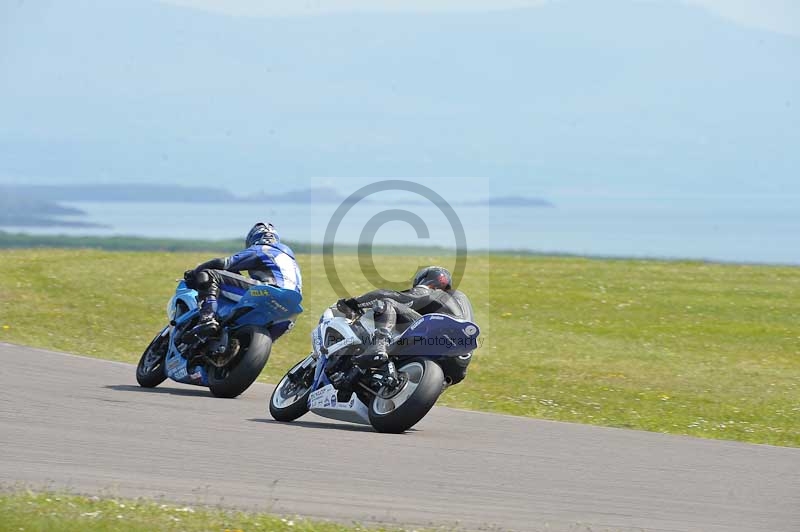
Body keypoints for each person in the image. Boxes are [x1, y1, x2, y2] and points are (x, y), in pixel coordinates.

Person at [336, 266, 475, 384]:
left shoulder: (434, 291)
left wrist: (353, 303)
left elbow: (400, 298)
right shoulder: (460, 302)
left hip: (440, 331)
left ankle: (379, 344)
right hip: (459, 363)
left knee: (387, 302)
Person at [183, 222, 302, 338]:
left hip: (268, 292)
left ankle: (207, 318)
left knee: (209, 275)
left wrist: (194, 274)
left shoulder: (262, 248)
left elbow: (223, 263)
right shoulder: (291, 262)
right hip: (291, 311)